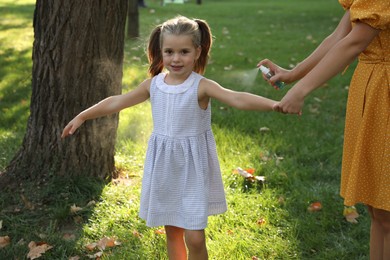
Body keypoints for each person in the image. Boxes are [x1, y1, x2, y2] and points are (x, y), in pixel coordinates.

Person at [62, 16, 277, 259]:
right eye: (169, 51)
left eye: (184, 51)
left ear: (197, 51)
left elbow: (237, 98)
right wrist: (83, 115)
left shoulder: (201, 86)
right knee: (173, 232)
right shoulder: (153, 85)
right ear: (160, 52)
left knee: (195, 237)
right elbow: (118, 101)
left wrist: (275, 105)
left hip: (194, 169)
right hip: (165, 168)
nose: (176, 58)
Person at [258, 0, 389, 259]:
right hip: (372, 89)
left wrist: (301, 90)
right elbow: (340, 36)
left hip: (384, 92)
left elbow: (354, 43)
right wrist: (292, 74)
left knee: (386, 211)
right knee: (378, 210)